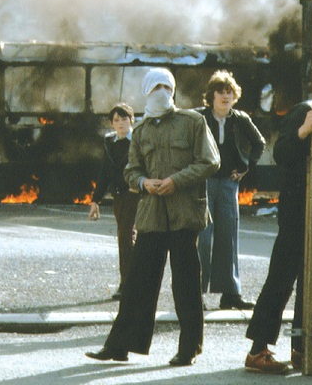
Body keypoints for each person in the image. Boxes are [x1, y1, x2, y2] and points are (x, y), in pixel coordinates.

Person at [86, 67, 220, 366]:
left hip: (185, 214)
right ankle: (119, 346)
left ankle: (189, 349)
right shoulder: (142, 131)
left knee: (185, 283)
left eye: (165, 87)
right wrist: (143, 182)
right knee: (137, 282)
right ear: (146, 92)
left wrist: (176, 181)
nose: (161, 92)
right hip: (152, 215)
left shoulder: (193, 122)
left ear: (172, 90)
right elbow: (131, 170)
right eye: (155, 87)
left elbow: (210, 161)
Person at [244, 100, 312, 374]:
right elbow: (281, 153)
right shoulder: (304, 109)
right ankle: (257, 351)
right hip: (296, 210)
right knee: (280, 280)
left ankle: (301, 348)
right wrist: (303, 131)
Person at [196, 70, 265, 310]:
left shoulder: (240, 119)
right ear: (211, 95)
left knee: (229, 237)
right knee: (203, 239)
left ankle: (230, 295)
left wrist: (246, 167)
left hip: (228, 182)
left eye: (229, 92)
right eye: (221, 92)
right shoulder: (199, 118)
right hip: (204, 183)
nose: (225, 96)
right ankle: (195, 294)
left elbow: (259, 143)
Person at [89, 102, 139, 301]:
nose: (120, 123)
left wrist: (140, 184)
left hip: (136, 194)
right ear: (111, 123)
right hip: (118, 196)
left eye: (124, 119)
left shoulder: (138, 141)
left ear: (131, 120)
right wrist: (96, 200)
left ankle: (127, 284)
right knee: (125, 236)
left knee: (126, 235)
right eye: (116, 120)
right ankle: (131, 281)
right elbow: (104, 172)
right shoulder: (109, 142)